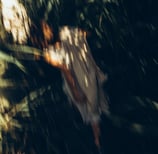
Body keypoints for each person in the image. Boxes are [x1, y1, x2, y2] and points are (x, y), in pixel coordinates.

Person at [44, 26, 109, 148]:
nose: (48, 30)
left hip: (87, 73)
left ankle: (99, 140)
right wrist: (75, 91)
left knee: (94, 106)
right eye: (45, 30)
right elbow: (66, 71)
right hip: (80, 79)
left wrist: (81, 35)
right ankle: (97, 141)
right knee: (91, 108)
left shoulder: (65, 33)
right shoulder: (50, 52)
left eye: (47, 27)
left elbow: (86, 33)